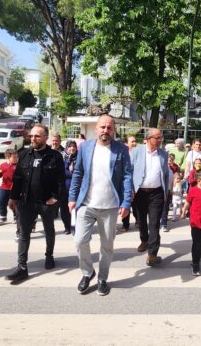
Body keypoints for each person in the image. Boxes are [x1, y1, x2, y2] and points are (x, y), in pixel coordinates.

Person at [68, 114, 133, 296]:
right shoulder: (86, 147)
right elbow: (78, 173)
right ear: (96, 129)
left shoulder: (121, 149)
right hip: (86, 204)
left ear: (114, 130)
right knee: (80, 240)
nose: (106, 131)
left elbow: (127, 175)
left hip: (110, 206)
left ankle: (103, 278)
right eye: (102, 127)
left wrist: (126, 201)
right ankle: (88, 272)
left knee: (107, 246)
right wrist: (72, 197)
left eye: (109, 128)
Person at [5, 124, 66, 282]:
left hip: (46, 202)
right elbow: (17, 178)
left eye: (37, 136)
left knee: (49, 230)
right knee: (24, 234)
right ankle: (22, 267)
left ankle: (49, 256)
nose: (33, 138)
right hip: (26, 202)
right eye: (31, 136)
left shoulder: (55, 156)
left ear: (45, 137)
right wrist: (13, 197)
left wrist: (55, 198)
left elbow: (60, 181)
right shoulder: (24, 154)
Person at [131, 128, 170, 266]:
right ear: (148, 139)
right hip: (139, 193)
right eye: (157, 138)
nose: (160, 140)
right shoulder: (136, 152)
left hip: (157, 193)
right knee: (141, 221)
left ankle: (152, 254)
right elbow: (129, 171)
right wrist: (129, 189)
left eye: (161, 138)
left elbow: (166, 174)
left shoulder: (163, 154)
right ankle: (144, 240)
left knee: (154, 223)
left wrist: (167, 192)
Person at [0, 149, 18, 226]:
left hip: (15, 188)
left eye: (16, 157)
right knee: (1, 201)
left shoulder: (18, 165)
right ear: (8, 157)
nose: (16, 159)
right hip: (4, 187)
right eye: (14, 157)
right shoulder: (3, 165)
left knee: (14, 203)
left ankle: (16, 216)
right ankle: (3, 216)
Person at [120, 135, 138, 233]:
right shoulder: (123, 154)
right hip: (126, 184)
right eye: (132, 142)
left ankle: (138, 220)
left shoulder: (139, 154)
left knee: (136, 205)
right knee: (126, 204)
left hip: (137, 184)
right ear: (126, 143)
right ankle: (125, 224)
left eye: (135, 141)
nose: (135, 143)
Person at [61, 140, 78, 235]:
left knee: (75, 208)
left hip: (76, 188)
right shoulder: (63, 158)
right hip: (64, 188)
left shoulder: (80, 158)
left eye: (74, 146)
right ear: (67, 148)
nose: (72, 148)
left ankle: (74, 227)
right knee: (64, 209)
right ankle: (67, 227)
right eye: (70, 146)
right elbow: (61, 172)